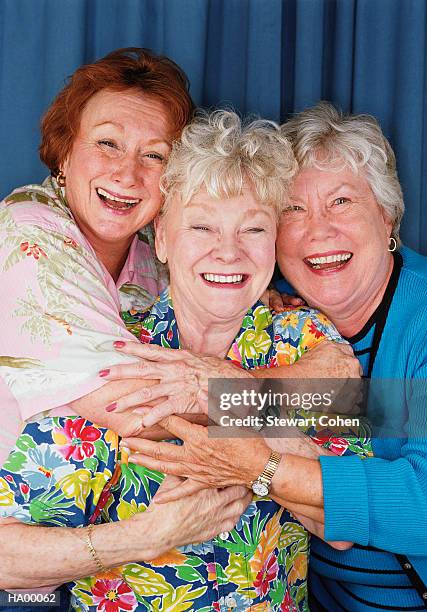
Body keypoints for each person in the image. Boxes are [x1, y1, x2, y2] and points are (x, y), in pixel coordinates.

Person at [0, 110, 364, 610]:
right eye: (202, 226)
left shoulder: (307, 341)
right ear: (163, 240)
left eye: (253, 230)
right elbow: (9, 563)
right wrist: (146, 536)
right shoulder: (119, 351)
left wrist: (231, 418)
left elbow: (345, 525)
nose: (228, 252)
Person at [116, 103, 427, 611]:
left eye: (341, 201)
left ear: (387, 216)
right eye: (293, 211)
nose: (318, 231)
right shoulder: (268, 309)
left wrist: (257, 462)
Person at [0, 48, 250, 595]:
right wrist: (312, 398)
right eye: (107, 142)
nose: (127, 172)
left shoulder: (152, 261)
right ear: (64, 154)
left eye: (155, 156)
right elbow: (137, 410)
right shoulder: (27, 235)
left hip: (75, 568)